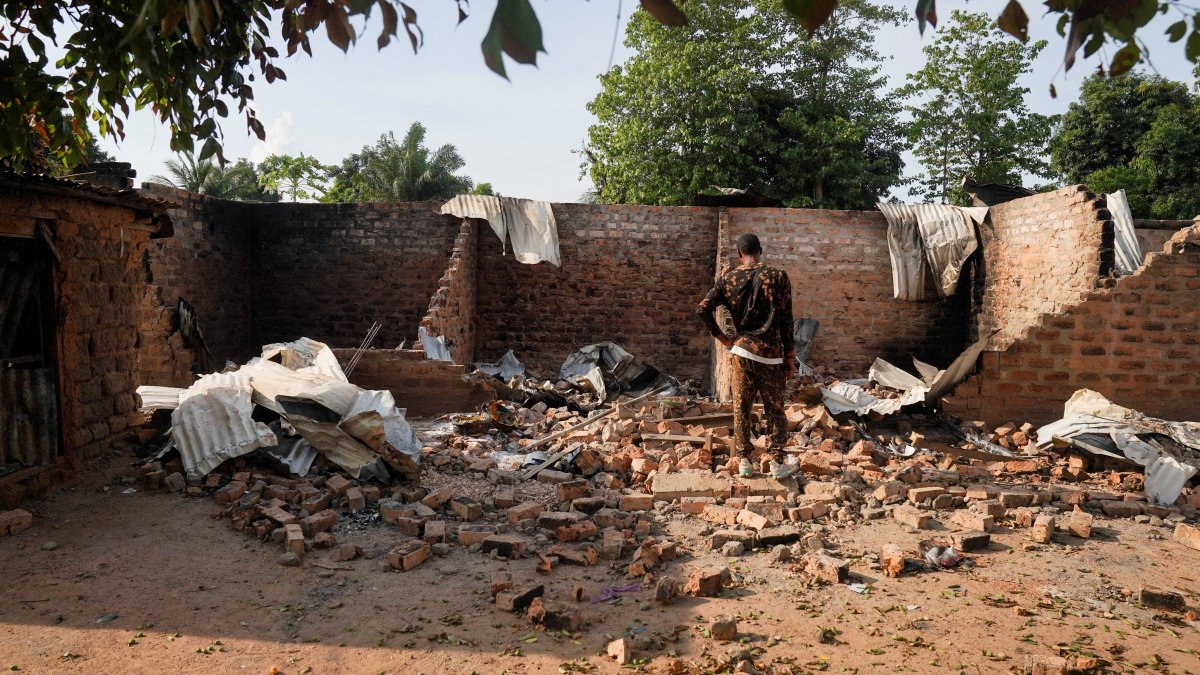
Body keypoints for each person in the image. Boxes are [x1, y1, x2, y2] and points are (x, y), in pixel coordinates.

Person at [697, 233, 795, 461]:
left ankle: (743, 461)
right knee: (775, 410)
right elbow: (786, 319)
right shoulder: (778, 276)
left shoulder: (728, 279)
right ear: (760, 251)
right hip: (771, 355)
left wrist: (722, 338)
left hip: (742, 351)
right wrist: (789, 356)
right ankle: (777, 461)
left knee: (741, 408)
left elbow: (702, 309)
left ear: (740, 255)